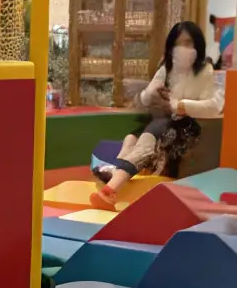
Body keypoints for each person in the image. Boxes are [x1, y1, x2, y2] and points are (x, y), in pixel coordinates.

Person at [91, 20, 223, 210]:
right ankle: (117, 173)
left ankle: (111, 187)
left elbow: (212, 106)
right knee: (131, 138)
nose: (182, 49)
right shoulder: (167, 69)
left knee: (147, 140)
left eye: (187, 43)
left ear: (197, 45)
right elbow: (147, 97)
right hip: (163, 122)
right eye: (177, 44)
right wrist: (150, 94)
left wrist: (181, 105)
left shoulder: (205, 71)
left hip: (187, 126)